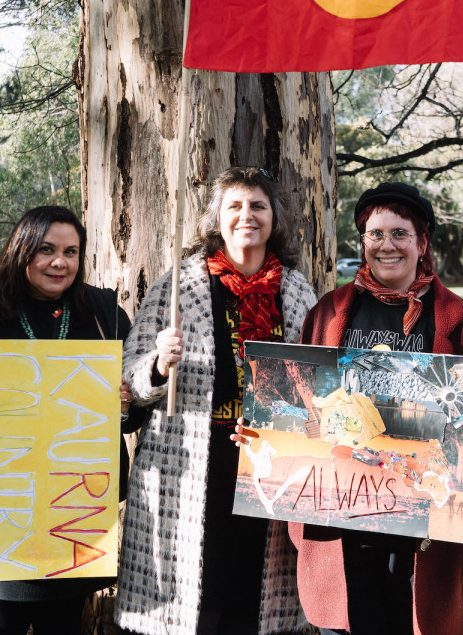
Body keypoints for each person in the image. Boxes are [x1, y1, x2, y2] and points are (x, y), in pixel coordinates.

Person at [114, 166, 319, 635]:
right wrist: (160, 364)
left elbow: (317, 386)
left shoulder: (296, 290)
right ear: (217, 218)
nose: (246, 216)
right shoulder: (181, 285)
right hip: (190, 465)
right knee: (198, 598)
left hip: (268, 470)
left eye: (257, 206)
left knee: (255, 594)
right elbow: (130, 378)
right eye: (235, 206)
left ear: (274, 218)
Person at [0, 205, 138, 635]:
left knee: (64, 625)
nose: (61, 262)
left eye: (71, 252)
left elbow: (129, 416)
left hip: (71, 509)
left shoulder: (104, 314)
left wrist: (124, 405)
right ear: (21, 251)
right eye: (47, 249)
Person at [289, 181, 463, 635]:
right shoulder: (328, 314)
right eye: (376, 234)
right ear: (363, 242)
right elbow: (304, 402)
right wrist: (276, 426)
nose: (388, 245)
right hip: (343, 507)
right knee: (349, 621)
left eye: (400, 234)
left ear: (422, 243)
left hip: (422, 522)